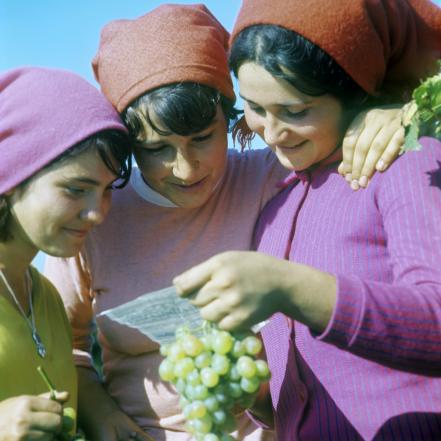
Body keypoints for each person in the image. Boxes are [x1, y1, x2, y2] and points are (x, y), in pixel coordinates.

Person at [44, 4, 404, 441]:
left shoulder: (273, 176)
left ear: (231, 115)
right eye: (157, 149)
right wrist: (98, 411)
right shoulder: (97, 217)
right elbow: (62, 340)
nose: (185, 168)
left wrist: (384, 114)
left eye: (202, 138)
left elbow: (331, 127)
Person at [173, 0, 441, 440]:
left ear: (354, 93)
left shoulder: (405, 165)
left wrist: (292, 287)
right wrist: (257, 398)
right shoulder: (277, 208)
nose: (272, 133)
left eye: (295, 112)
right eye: (255, 108)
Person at [0, 67, 130, 441]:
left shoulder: (49, 299)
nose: (98, 212)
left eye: (107, 189)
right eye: (76, 189)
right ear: (10, 176)